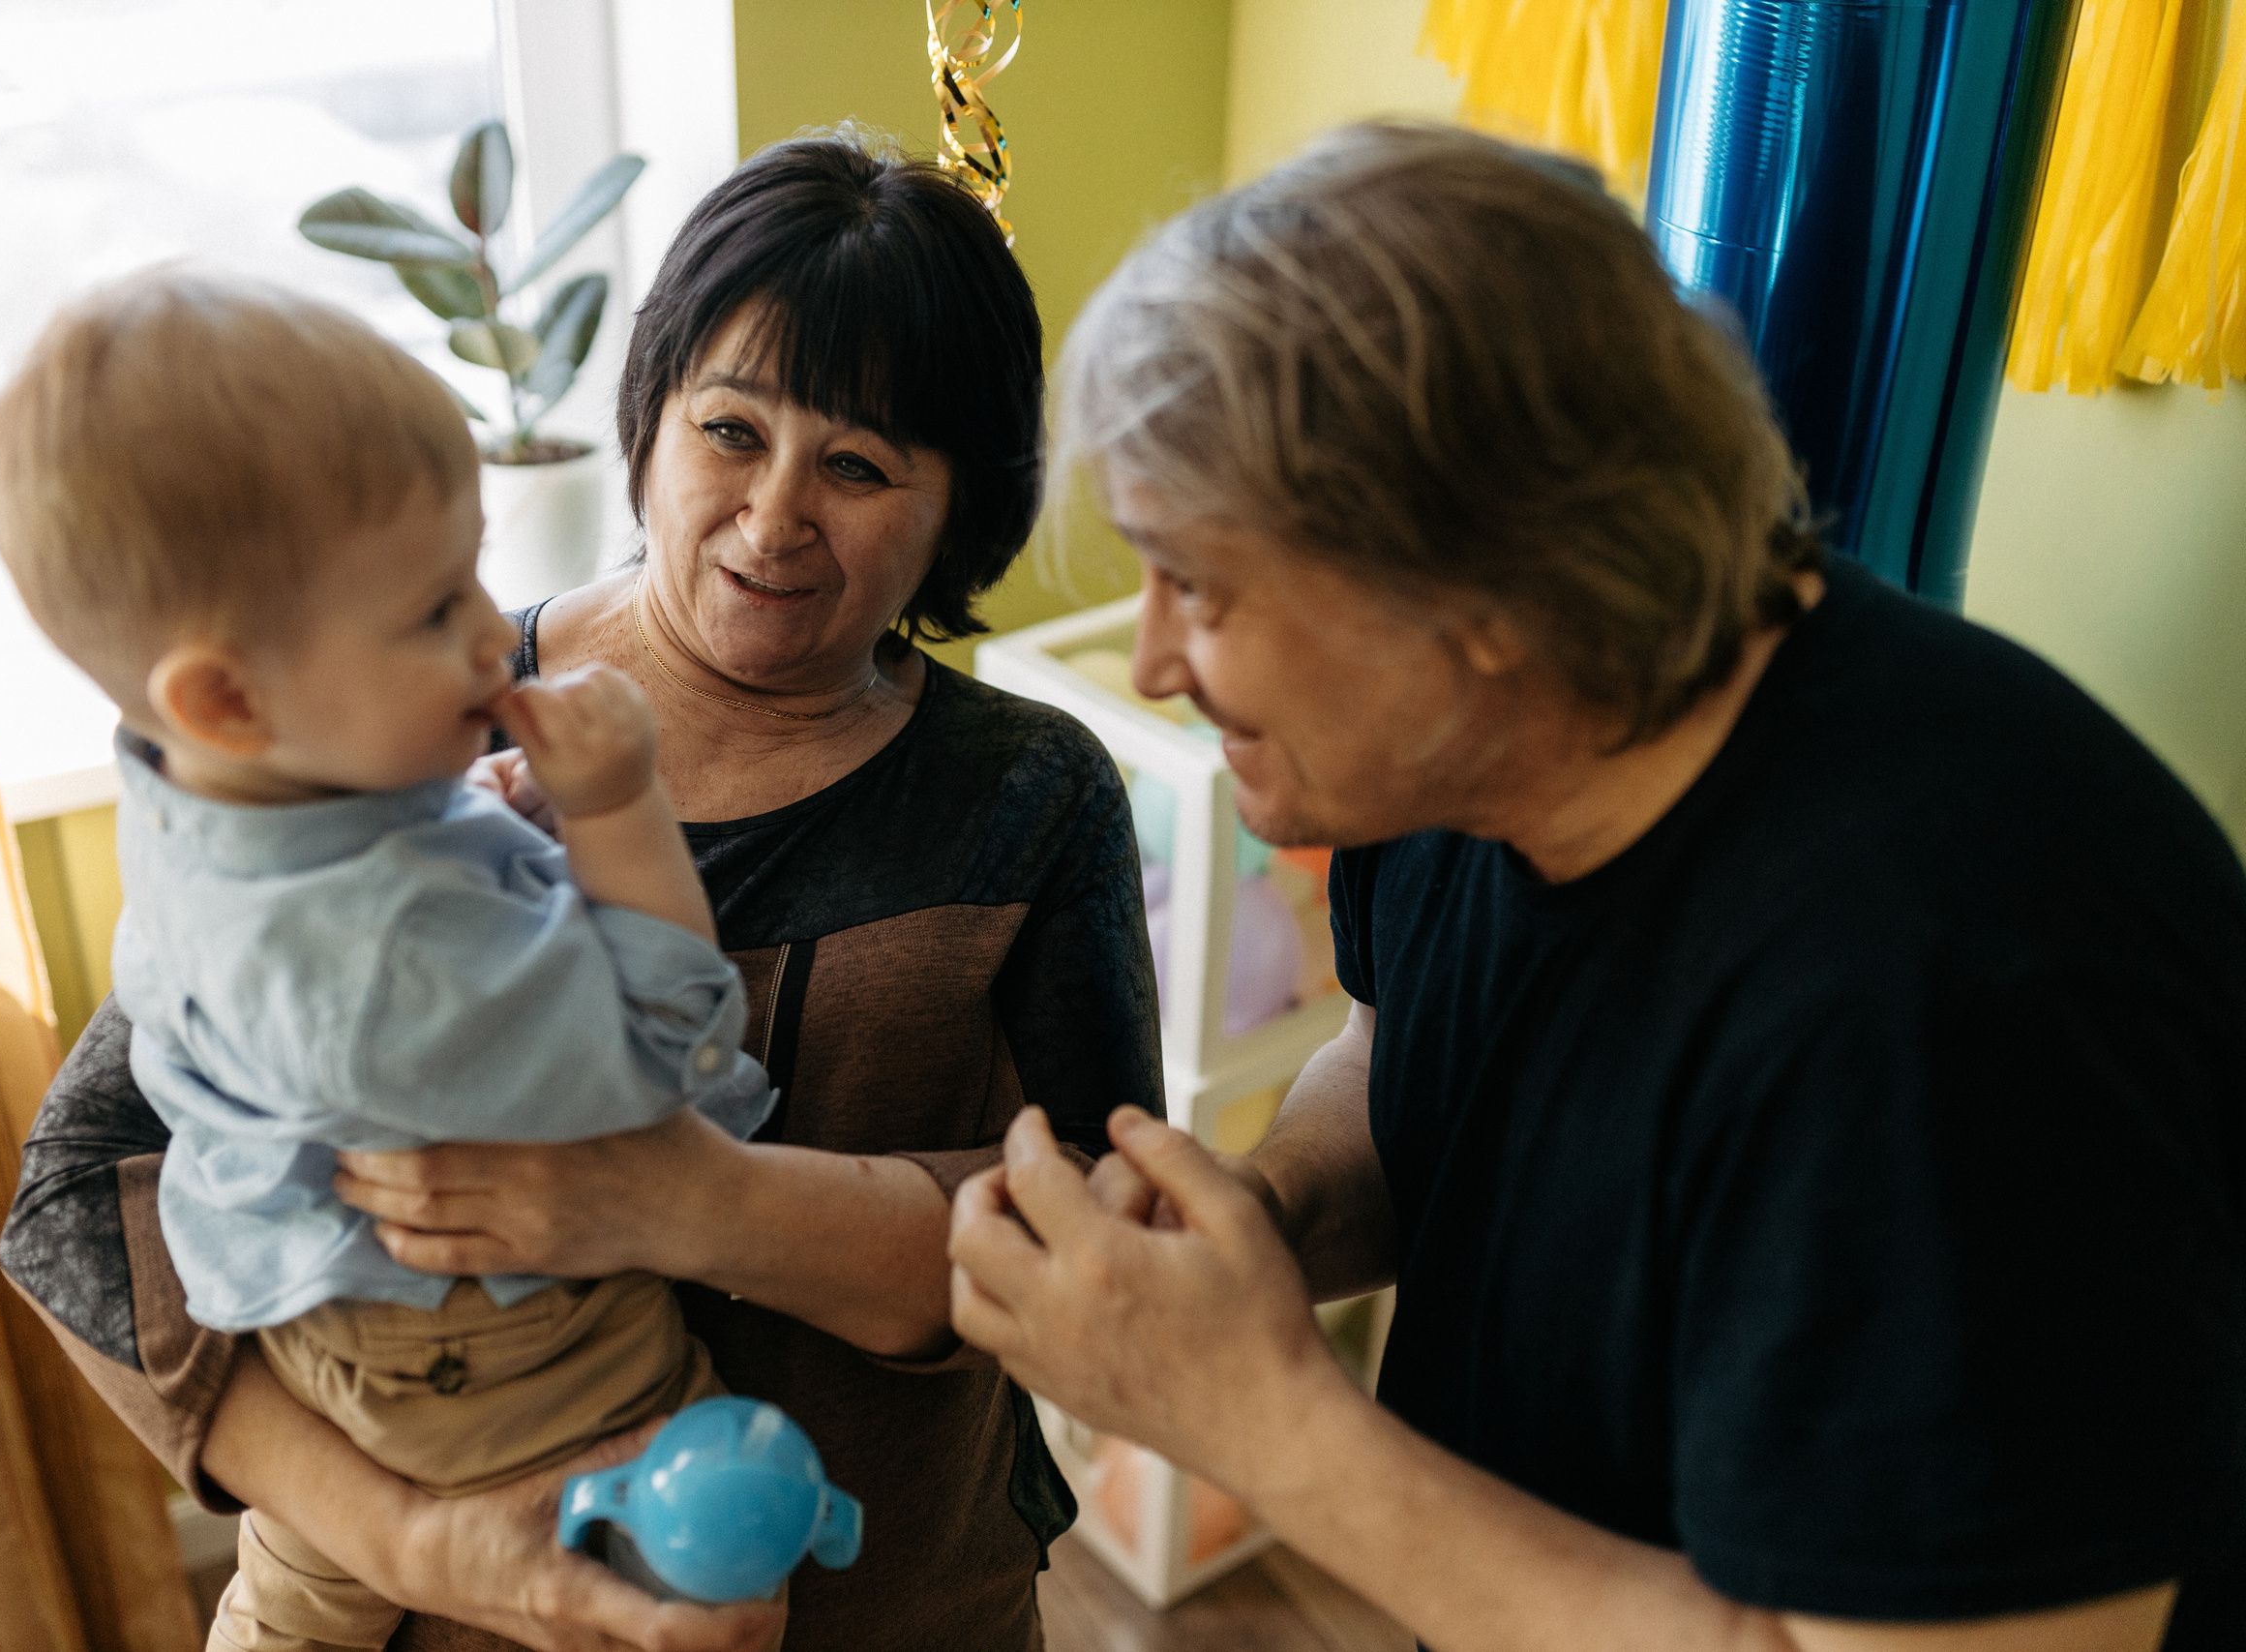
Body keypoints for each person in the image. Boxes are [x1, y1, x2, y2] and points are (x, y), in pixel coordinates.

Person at [948, 124, 2246, 1652]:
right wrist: (1264, 1227)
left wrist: (1262, 1424)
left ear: (1482, 588)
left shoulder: (1964, 990)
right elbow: (1403, 1052)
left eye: (1202, 586)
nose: (1157, 660)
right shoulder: (1445, 753)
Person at [0, 134, 1160, 1652]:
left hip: (893, 1600)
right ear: (651, 417)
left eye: (862, 465)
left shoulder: (1025, 797)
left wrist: (703, 1203)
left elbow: (1111, 1243)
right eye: (730, 428)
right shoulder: (407, 710)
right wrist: (411, 1542)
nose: (775, 511)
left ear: (961, 508)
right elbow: (76, 1197)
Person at [0, 268, 782, 1652]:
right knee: (724, 1578)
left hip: (305, 1294)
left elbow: (357, 851)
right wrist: (613, 811)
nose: (492, 627)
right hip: (496, 1360)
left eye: (471, 566)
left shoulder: (206, 782)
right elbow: (664, 1059)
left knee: (299, 1596)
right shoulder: (376, 970)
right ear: (225, 696)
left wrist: (463, 814)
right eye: (431, 610)